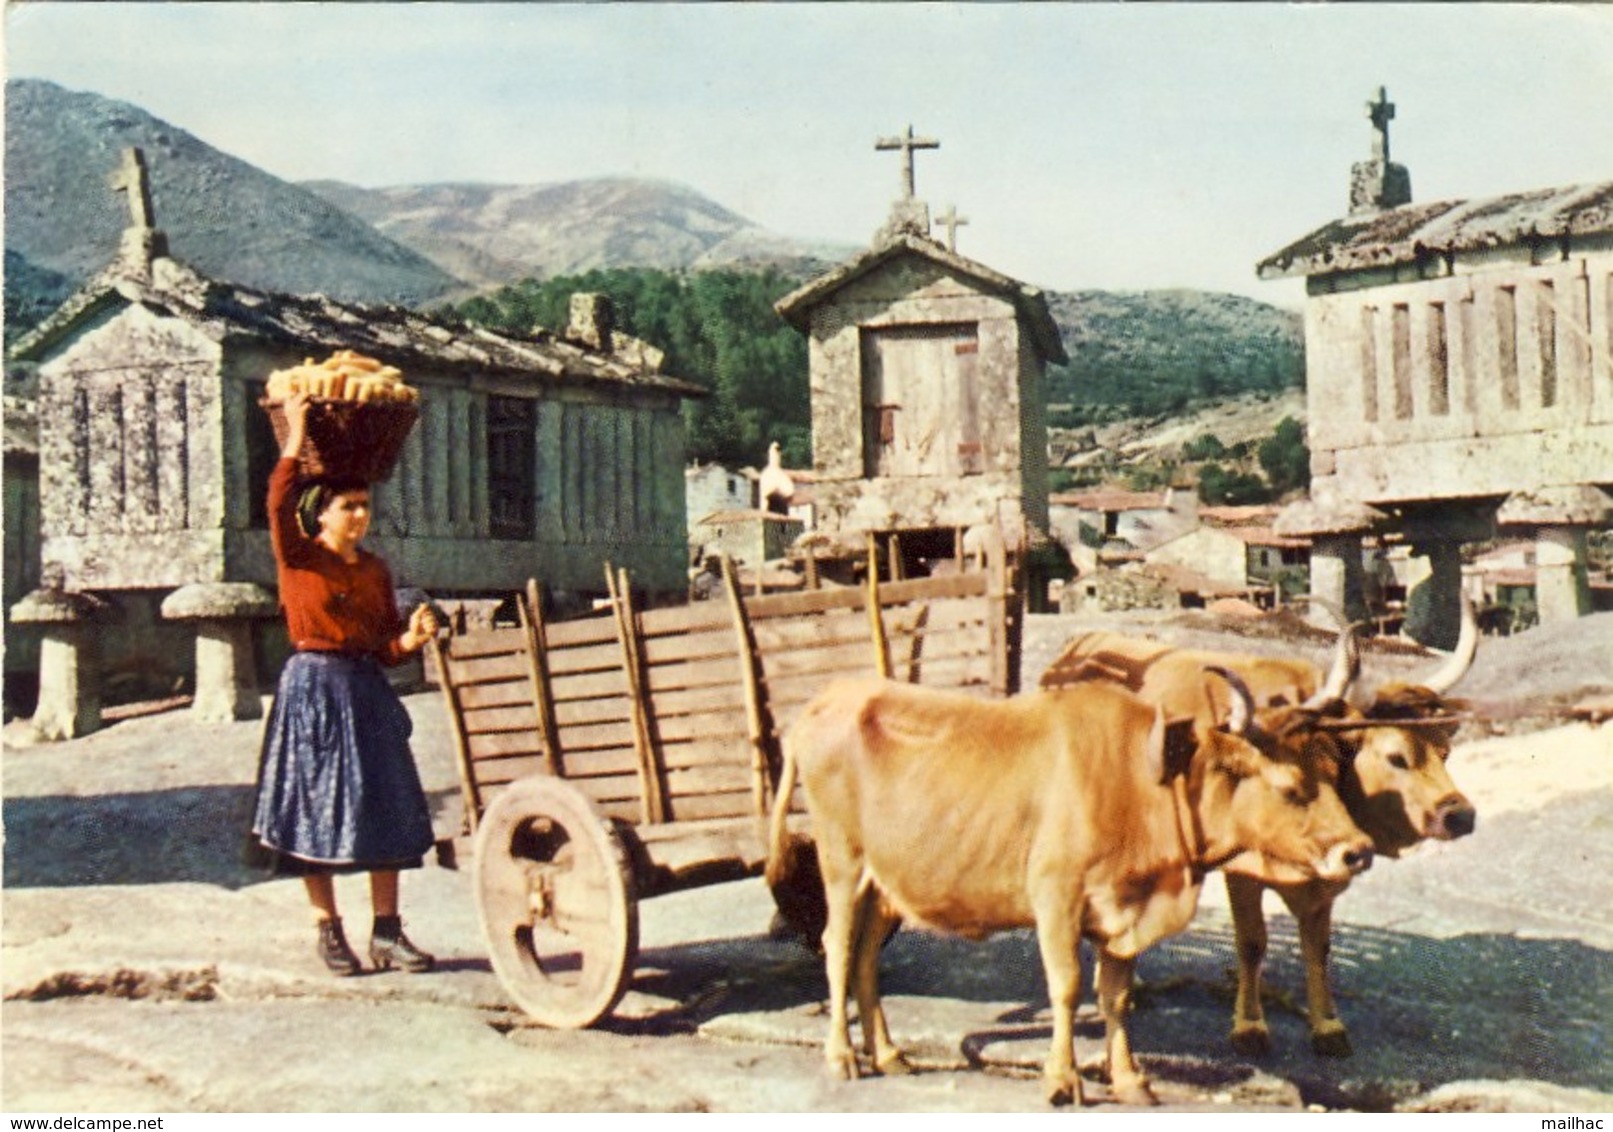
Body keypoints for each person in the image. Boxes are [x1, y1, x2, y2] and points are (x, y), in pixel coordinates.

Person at [250, 392, 441, 976]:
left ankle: (388, 932)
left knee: (387, 803)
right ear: (321, 513)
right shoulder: (298, 559)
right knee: (315, 809)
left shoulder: (376, 571)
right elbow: (279, 494)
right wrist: (299, 428)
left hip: (363, 691)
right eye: (347, 507)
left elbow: (382, 645)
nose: (359, 515)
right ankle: (328, 931)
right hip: (313, 689)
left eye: (364, 506)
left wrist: (408, 642)